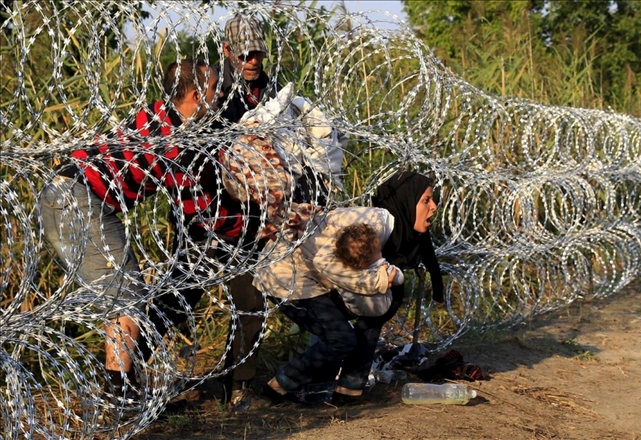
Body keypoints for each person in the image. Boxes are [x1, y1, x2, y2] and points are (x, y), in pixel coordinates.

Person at [39, 58, 222, 401]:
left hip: (65, 193)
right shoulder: (173, 141)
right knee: (126, 297)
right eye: (216, 87)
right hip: (79, 199)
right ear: (198, 96)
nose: (223, 92)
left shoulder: (157, 114)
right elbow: (192, 206)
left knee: (121, 295)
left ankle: (124, 389)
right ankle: (122, 398)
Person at [144, 15, 279, 412]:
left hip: (248, 220)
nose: (252, 60)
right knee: (178, 299)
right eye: (244, 53)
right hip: (201, 216)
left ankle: (238, 386)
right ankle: (127, 370)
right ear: (226, 52)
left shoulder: (274, 92)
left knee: (250, 302)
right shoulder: (213, 90)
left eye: (257, 52)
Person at [255, 171, 443, 404]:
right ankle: (277, 388)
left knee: (383, 301)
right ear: (407, 199)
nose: (434, 206)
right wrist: (380, 281)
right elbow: (324, 261)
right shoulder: (375, 224)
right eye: (426, 200)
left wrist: (384, 283)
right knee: (341, 339)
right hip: (287, 275)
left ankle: (350, 388)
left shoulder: (399, 235)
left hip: (316, 277)